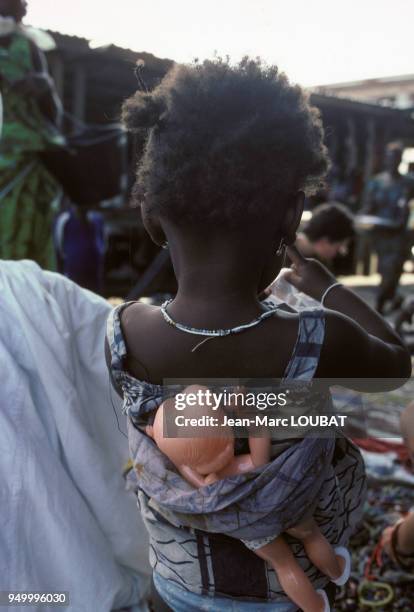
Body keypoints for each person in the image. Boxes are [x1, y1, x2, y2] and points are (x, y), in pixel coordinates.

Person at [106, 58, 411, 611]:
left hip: (175, 589)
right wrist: (328, 291)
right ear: (293, 215)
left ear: (151, 215)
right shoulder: (318, 340)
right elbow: (396, 364)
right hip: (282, 600)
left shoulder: (124, 332)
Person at [0, 0, 64, 269]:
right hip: (23, 154)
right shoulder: (28, 47)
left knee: (24, 233)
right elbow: (53, 114)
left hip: (25, 158)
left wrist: (41, 85)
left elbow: (52, 110)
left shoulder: (27, 47)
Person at [361, 142, 414, 313]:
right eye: (391, 158)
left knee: (393, 271)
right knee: (386, 271)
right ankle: (391, 299)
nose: (393, 161)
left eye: (396, 158)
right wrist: (362, 217)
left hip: (400, 235)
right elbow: (369, 206)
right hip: (381, 234)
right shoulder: (377, 182)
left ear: (400, 161)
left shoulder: (408, 183)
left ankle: (381, 305)